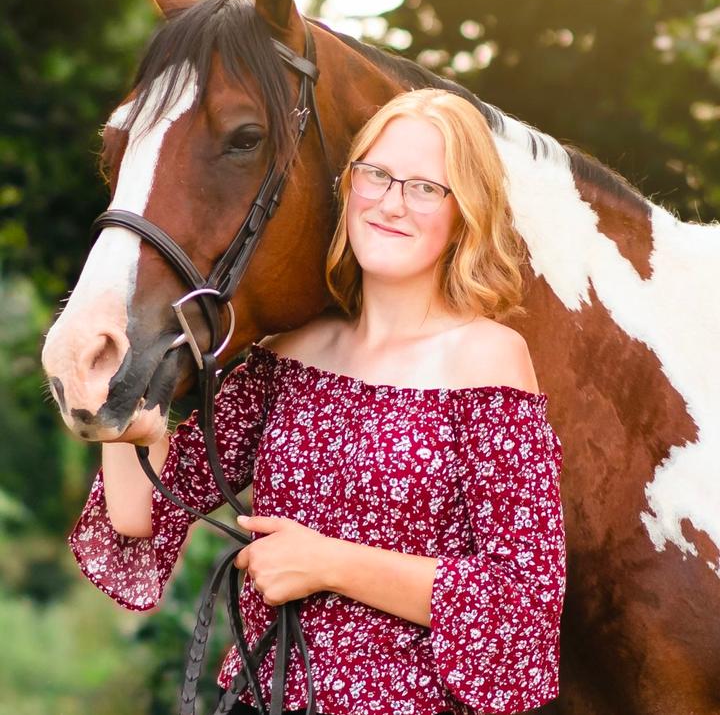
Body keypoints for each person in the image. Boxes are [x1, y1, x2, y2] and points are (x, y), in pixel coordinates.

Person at [68, 88, 566, 715]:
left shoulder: (488, 360)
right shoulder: (290, 353)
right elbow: (139, 517)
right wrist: (123, 407)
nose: (391, 202)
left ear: (464, 212)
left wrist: (329, 563)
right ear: (349, 185)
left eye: (424, 187)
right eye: (377, 175)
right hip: (262, 696)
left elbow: (523, 602)